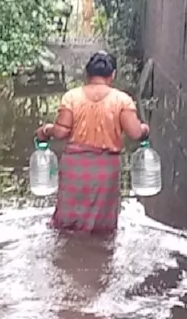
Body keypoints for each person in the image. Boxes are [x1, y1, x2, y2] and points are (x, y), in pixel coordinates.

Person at [35, 52, 150, 235]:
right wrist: (145, 129)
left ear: (87, 74)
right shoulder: (122, 100)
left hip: (75, 167)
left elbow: (61, 132)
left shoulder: (71, 97)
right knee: (102, 225)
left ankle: (68, 251)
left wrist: (46, 130)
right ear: (112, 75)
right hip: (106, 169)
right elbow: (135, 133)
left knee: (67, 220)